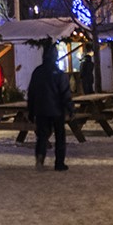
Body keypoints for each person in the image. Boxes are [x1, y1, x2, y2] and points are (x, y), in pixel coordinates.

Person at [27, 44, 73, 172]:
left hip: (41, 110)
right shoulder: (59, 73)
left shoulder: (37, 72)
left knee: (42, 136)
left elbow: (31, 92)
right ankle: (59, 163)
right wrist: (70, 108)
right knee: (60, 136)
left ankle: (40, 159)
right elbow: (65, 93)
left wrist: (31, 111)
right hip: (57, 110)